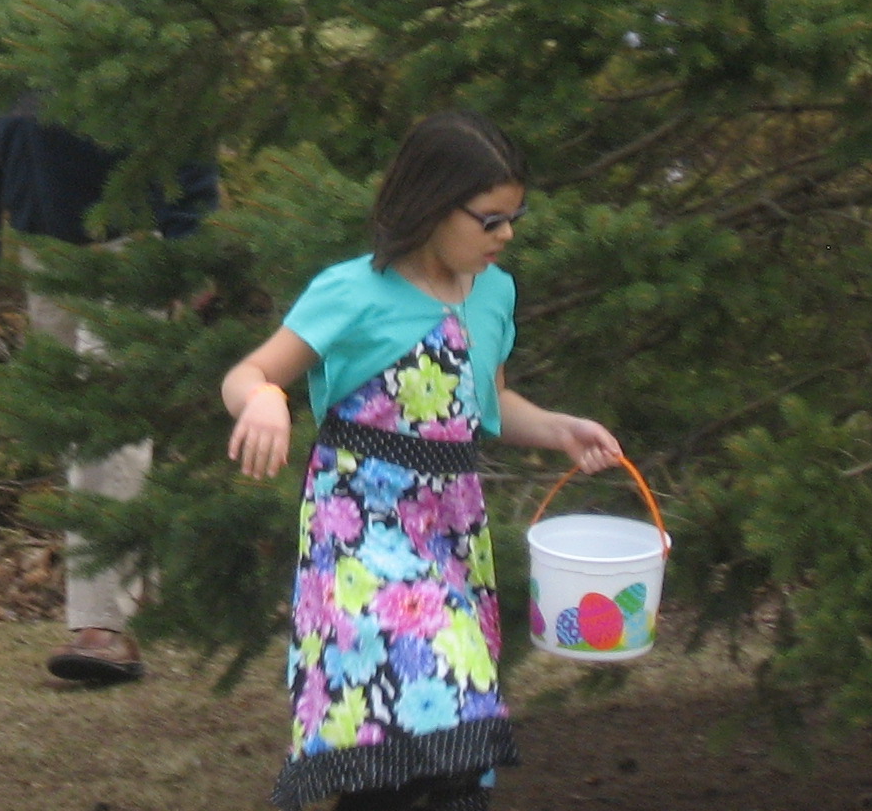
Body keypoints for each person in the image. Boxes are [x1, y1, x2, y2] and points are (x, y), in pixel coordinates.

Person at [221, 114, 624, 811]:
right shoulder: (354, 292)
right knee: (424, 709)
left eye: (514, 218)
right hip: (361, 534)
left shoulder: (492, 294)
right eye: (491, 220)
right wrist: (262, 400)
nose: (507, 235)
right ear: (433, 206)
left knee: (444, 752)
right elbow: (249, 373)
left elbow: (490, 401)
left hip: (449, 534)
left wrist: (560, 429)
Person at [0, 0, 219, 687]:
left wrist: (191, 241)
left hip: (127, 246)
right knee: (85, 437)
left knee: (111, 432)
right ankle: (142, 584)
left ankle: (102, 628)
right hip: (45, 252)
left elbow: (185, 123)